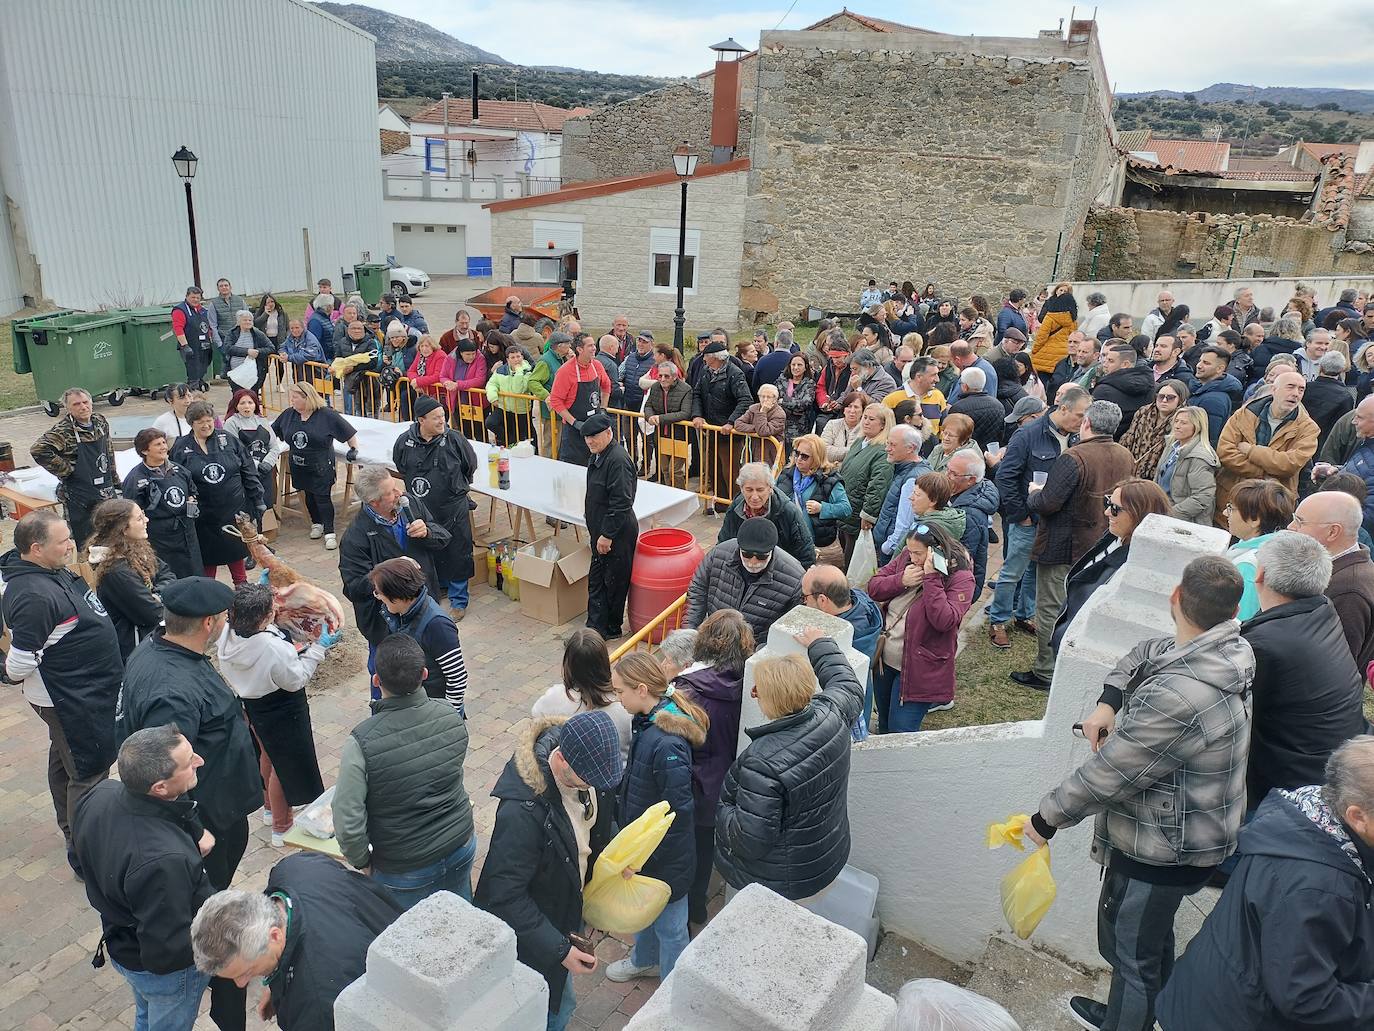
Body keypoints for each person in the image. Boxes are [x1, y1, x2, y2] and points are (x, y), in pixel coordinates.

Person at [1022, 555, 1253, 1031]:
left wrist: (1044, 819)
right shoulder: (1225, 650)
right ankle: (1145, 1014)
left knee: (1131, 953)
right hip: (1184, 834)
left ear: (1175, 597)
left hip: (1163, 848)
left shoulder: (1182, 694)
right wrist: (1110, 702)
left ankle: (1129, 1020)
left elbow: (1112, 773)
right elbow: (1145, 652)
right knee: (1142, 944)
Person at [117, 576, 259, 1031]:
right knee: (209, 911)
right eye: (223, 619)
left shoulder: (163, 649)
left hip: (219, 809)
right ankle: (220, 984)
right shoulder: (170, 690)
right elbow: (166, 776)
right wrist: (196, 832)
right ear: (210, 622)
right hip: (208, 824)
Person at [1156, 736, 1374, 1031]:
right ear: (1357, 816)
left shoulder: (1309, 816)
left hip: (1213, 995)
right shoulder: (1319, 888)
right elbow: (1306, 998)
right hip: (1234, 1018)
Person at [475, 710, 623, 1029]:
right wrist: (559, 951)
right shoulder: (521, 812)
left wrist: (615, 859)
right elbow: (505, 896)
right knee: (546, 1010)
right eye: (591, 781)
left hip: (564, 908)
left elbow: (602, 821)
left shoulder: (593, 771)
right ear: (564, 762)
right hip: (535, 935)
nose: (597, 786)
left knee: (561, 1000)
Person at [2, 509, 124, 877]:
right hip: (70, 698)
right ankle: (86, 852)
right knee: (88, 771)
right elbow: (18, 666)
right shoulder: (33, 596)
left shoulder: (44, 571)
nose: (72, 544)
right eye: (64, 541)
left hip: (84, 692)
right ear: (36, 549)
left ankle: (72, 827)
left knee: (66, 759)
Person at [72, 726, 214, 1030]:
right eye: (189, 762)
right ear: (160, 788)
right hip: (163, 972)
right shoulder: (162, 860)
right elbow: (167, 947)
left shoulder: (101, 793)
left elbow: (78, 858)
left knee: (146, 1014)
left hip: (121, 944)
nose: (199, 761)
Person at [716, 628, 864, 899]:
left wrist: (722, 808)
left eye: (758, 689)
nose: (754, 693)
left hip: (779, 879)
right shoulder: (833, 713)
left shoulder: (762, 763)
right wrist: (820, 643)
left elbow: (749, 840)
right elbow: (848, 685)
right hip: (826, 855)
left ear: (769, 698)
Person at [330, 633, 476, 911]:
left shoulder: (361, 741)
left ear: (376, 680)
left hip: (404, 867)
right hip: (460, 844)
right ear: (424, 674)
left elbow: (348, 820)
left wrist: (363, 862)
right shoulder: (450, 715)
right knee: (460, 925)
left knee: (408, 943)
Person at [190, 852, 402, 1031]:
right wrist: (276, 986)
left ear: (274, 936)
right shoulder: (294, 867)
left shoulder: (317, 1006)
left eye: (246, 971)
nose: (241, 984)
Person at [1014, 400, 1135, 690]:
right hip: (1101, 544)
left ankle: (1046, 671)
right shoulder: (1125, 455)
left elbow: (1048, 503)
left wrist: (1034, 493)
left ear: (1086, 424)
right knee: (1080, 608)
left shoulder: (1074, 457)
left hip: (1064, 545)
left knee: (1051, 608)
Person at [1241, 531, 1365, 815]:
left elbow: (1230, 713)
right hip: (1331, 759)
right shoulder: (1322, 609)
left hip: (1290, 788)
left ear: (1259, 575)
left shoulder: (1264, 644)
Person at [604, 652, 706, 984]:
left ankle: (673, 988)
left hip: (664, 859)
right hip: (645, 851)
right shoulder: (648, 722)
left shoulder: (667, 743)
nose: (617, 699)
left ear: (642, 689)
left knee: (671, 927)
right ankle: (645, 959)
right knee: (644, 914)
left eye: (620, 691)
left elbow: (678, 814)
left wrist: (645, 856)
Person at [216, 583, 329, 847]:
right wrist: (318, 649)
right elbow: (296, 679)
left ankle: (269, 809)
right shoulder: (272, 648)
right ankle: (282, 826)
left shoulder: (226, 634)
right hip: (282, 706)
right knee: (284, 765)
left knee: (266, 754)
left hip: (253, 704)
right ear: (265, 618)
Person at [987, 386, 1090, 650]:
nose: (1083, 421)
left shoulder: (1077, 438)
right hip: (1029, 520)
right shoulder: (1029, 434)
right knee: (1012, 571)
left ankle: (1024, 614)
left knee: (1035, 570)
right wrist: (1020, 515)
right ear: (1063, 408)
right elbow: (1005, 477)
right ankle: (998, 620)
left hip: (1053, 520)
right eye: (1079, 415)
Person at [670, 610, 753, 924]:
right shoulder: (747, 685)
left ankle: (682, 908)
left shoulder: (688, 691)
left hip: (694, 781)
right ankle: (698, 905)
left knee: (684, 848)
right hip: (726, 780)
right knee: (706, 847)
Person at [338, 465, 451, 677]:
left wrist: (428, 532)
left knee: (432, 675)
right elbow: (353, 588)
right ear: (374, 502)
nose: (399, 492)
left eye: (395, 485)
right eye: (390, 492)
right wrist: (391, 570)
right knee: (389, 682)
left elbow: (443, 537)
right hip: (387, 627)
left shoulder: (410, 505)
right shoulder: (355, 537)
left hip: (424, 610)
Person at [1051, 478, 1171, 654]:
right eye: (1108, 503)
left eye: (1115, 508)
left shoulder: (1134, 565)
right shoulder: (1114, 537)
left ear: (1140, 514)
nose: (1107, 512)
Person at [392, 394, 477, 616]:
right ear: (421, 420)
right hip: (422, 509)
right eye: (436, 417)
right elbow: (401, 465)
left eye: (443, 416)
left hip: (452, 506)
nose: (442, 421)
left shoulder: (455, 439)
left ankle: (459, 600)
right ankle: (438, 588)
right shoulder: (404, 442)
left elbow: (470, 465)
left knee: (458, 551)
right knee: (427, 549)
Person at [173, 400, 263, 584]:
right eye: (200, 422)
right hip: (203, 516)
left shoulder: (229, 440)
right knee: (207, 558)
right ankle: (210, 595)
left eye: (209, 421)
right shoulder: (181, 447)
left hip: (233, 510)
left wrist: (257, 499)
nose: (206, 425)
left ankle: (242, 587)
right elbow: (176, 478)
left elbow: (248, 471)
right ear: (191, 423)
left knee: (235, 551)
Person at [1217, 369, 1320, 523]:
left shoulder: (1309, 428)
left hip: (1273, 505)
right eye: (1290, 387)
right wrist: (1264, 473)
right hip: (1232, 497)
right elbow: (1225, 452)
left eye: (1301, 389)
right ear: (1274, 389)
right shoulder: (1243, 414)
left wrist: (1251, 450)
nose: (1296, 393)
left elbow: (1290, 464)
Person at [368, 556, 468, 714]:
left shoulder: (437, 625)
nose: (378, 597)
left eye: (379, 592)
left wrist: (449, 716)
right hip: (415, 708)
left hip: (434, 711)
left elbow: (457, 677)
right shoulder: (399, 613)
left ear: (396, 595)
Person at [1288, 489, 1374, 671]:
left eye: (1299, 521)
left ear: (1333, 532)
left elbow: (1338, 665)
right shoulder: (1340, 568)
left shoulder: (1349, 590)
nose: (1290, 527)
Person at [686, 517, 804, 645]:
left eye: (761, 557)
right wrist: (690, 632)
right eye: (747, 555)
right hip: (715, 639)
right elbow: (698, 590)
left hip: (753, 648)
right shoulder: (718, 554)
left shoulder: (795, 578)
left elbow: (789, 626)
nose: (753, 562)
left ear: (772, 551)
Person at [575, 412, 640, 641]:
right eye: (586, 437)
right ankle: (595, 628)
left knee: (613, 582)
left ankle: (609, 628)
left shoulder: (617, 460)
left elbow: (622, 501)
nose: (590, 441)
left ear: (609, 433)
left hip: (616, 533)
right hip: (602, 530)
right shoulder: (598, 455)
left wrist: (607, 535)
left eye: (594, 436)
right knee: (598, 580)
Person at [271, 382, 358, 551]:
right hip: (298, 463)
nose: (292, 400)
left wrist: (353, 448)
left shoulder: (326, 415)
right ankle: (316, 523)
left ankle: (329, 531)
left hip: (321, 464)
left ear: (307, 398)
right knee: (307, 494)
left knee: (322, 496)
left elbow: (349, 432)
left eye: (295, 397)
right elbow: (272, 431)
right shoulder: (289, 415)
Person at [31, 387, 118, 548]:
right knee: (86, 542)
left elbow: (108, 452)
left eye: (85, 402)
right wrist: (66, 471)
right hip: (78, 497)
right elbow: (38, 450)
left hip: (104, 490)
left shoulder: (100, 422)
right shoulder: (63, 431)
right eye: (76, 404)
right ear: (68, 408)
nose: (83, 407)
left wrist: (116, 481)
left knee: (112, 536)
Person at [88, 498, 174, 660]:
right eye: (139, 518)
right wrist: (162, 596)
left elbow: (167, 573)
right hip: (137, 647)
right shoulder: (116, 571)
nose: (146, 520)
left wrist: (158, 594)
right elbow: (152, 613)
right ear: (123, 529)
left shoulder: (137, 548)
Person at [802, 563, 883, 733]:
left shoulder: (845, 641)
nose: (803, 602)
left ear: (823, 600)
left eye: (805, 597)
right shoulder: (858, 603)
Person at [532, 628, 633, 759]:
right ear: (603, 661)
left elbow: (536, 714)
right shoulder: (624, 701)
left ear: (568, 664)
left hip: (572, 775)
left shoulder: (556, 696)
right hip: (618, 775)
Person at [123, 427, 202, 578]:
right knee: (168, 578)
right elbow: (131, 512)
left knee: (194, 575)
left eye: (164, 442)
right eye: (158, 444)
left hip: (187, 534)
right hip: (160, 539)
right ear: (145, 451)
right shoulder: (135, 479)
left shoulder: (180, 470)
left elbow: (193, 491)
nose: (164, 447)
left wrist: (192, 502)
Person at [692, 338, 755, 508]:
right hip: (711, 430)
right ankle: (720, 502)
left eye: (706, 356)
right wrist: (697, 415)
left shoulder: (735, 373)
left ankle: (736, 504)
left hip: (728, 434)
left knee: (731, 470)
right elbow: (697, 394)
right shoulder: (706, 371)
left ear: (715, 357)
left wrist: (731, 422)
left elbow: (745, 399)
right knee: (714, 469)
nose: (703, 359)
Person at [719, 460, 815, 567]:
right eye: (749, 490)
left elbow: (805, 552)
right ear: (741, 489)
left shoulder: (787, 511)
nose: (755, 496)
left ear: (770, 488)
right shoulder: (735, 508)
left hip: (779, 569)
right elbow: (723, 546)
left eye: (760, 490)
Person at [778, 433, 850, 566]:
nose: (799, 459)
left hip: (821, 547)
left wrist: (822, 508)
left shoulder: (829, 479)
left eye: (804, 456)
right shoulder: (786, 474)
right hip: (789, 543)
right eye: (796, 453)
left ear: (817, 458)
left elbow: (846, 509)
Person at [837, 402, 896, 558]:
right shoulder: (859, 442)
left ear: (883, 425)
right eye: (865, 417)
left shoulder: (882, 451)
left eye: (872, 419)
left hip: (858, 511)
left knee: (853, 553)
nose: (866, 422)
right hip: (846, 504)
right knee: (844, 545)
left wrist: (868, 514)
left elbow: (878, 486)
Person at [549, 333, 612, 468]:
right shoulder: (565, 371)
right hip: (574, 432)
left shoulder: (597, 366)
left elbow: (606, 386)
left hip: (595, 428)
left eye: (594, 345)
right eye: (590, 346)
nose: (594, 348)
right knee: (572, 469)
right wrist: (575, 422)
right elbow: (555, 401)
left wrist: (603, 409)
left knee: (597, 467)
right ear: (579, 349)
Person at [870, 425, 930, 563]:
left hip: (892, 552)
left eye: (893, 445)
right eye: (887, 443)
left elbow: (905, 523)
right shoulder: (908, 469)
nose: (887, 449)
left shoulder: (912, 479)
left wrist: (888, 547)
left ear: (910, 448)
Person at [223, 388, 286, 516]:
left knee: (265, 505)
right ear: (236, 405)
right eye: (242, 403)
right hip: (244, 475)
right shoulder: (231, 423)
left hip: (265, 472)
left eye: (250, 403)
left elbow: (274, 446)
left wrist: (268, 463)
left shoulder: (262, 421)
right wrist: (253, 466)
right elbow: (232, 451)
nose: (247, 406)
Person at [1155, 406, 1218, 526]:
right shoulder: (1172, 446)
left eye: (1183, 423)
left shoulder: (1200, 457)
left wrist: (1171, 514)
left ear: (1197, 427)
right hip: (1162, 513)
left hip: (1184, 522)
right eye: (1176, 421)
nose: (1177, 426)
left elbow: (1203, 496)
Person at [1121, 380, 1188, 478]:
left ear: (1181, 399)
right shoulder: (1143, 412)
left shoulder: (1184, 420)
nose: (1164, 400)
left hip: (1159, 476)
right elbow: (1128, 439)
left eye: (1170, 398)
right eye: (1161, 396)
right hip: (1131, 471)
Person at [1092, 344, 1153, 439]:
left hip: (1106, 442)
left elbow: (1093, 424)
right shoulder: (1152, 387)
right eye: (1106, 359)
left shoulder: (1103, 390)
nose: (1105, 364)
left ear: (1125, 364)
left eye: (1110, 361)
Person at [1303, 352, 1355, 455]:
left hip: (1300, 438)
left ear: (1320, 367)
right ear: (1341, 370)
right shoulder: (1346, 396)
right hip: (1325, 445)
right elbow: (1343, 427)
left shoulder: (1304, 388)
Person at [172, 286, 219, 389]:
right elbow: (178, 329)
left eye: (198, 298)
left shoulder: (203, 310)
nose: (196, 300)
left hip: (204, 346)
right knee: (193, 372)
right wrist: (185, 346)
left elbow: (209, 327)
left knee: (202, 370)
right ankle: (193, 392)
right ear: (187, 296)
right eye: (193, 297)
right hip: (190, 346)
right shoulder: (180, 310)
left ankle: (199, 383)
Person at [946, 367, 1005, 449]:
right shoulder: (999, 406)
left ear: (965, 386)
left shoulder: (958, 408)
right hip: (989, 454)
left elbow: (952, 437)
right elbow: (1001, 434)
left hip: (965, 455)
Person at [1032, 287, 1078, 383]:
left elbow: (1041, 337)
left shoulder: (1050, 317)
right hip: (1063, 356)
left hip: (1046, 355)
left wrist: (1034, 351)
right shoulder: (1073, 320)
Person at [776, 352, 818, 451]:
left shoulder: (809, 383)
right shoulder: (781, 380)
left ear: (805, 367)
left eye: (799, 365)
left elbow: (804, 404)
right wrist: (793, 405)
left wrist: (784, 401)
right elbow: (776, 400)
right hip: (780, 427)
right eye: (793, 364)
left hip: (799, 429)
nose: (796, 367)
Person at [225, 309, 273, 392]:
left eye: (250, 320)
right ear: (239, 322)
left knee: (252, 395)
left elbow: (271, 348)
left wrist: (258, 351)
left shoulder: (258, 333)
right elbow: (228, 348)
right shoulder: (232, 333)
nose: (248, 322)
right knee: (238, 395)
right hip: (235, 371)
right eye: (245, 320)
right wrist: (247, 351)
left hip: (252, 372)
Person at [821, 390, 868, 463]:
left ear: (863, 411)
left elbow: (863, 457)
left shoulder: (866, 429)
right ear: (844, 410)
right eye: (849, 406)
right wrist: (853, 450)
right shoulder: (832, 424)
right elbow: (823, 451)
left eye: (856, 407)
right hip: (830, 469)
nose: (852, 411)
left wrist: (836, 451)